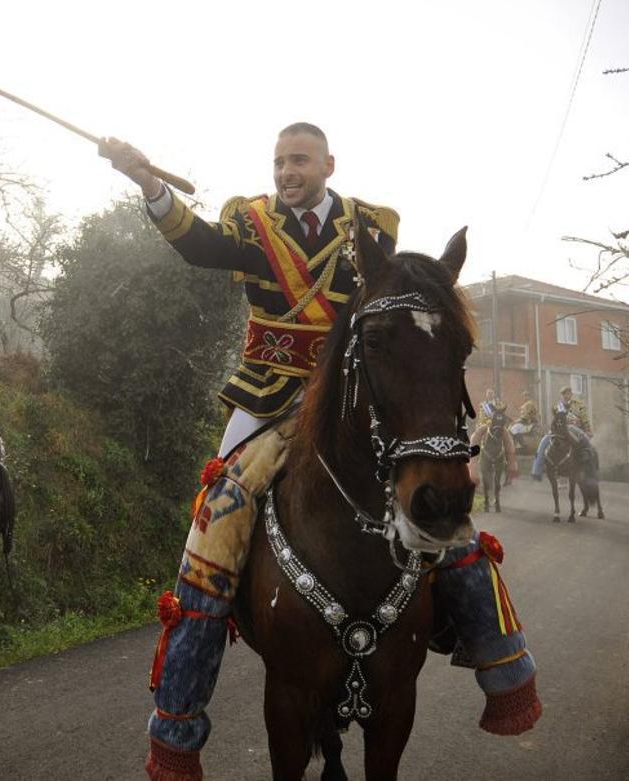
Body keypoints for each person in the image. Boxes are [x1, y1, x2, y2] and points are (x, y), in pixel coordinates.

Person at [101, 123, 539, 779]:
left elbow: (395, 304)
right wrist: (150, 185)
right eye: (280, 162)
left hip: (348, 393)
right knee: (217, 515)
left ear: (328, 164)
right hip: (266, 396)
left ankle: (498, 658)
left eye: (299, 161)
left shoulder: (372, 226)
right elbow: (200, 245)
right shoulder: (250, 224)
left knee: (441, 507)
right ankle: (180, 715)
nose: (287, 172)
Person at [532, 386, 592, 480]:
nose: (566, 396)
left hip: (573, 428)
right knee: (543, 442)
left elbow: (584, 419)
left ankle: (588, 465)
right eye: (564, 394)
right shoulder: (556, 407)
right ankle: (537, 471)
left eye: (568, 394)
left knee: (584, 440)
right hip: (559, 428)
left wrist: (588, 429)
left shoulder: (579, 405)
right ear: (561, 395)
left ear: (571, 395)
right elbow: (556, 420)